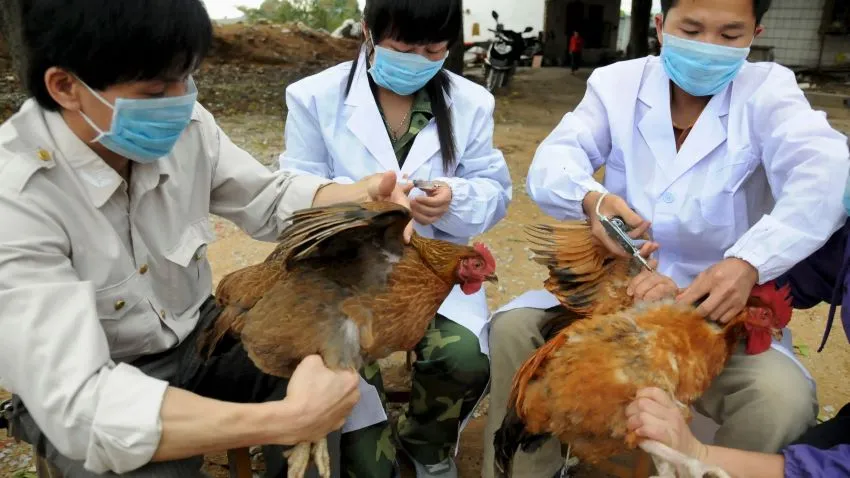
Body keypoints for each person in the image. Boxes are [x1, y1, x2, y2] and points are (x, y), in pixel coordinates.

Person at [0, 0, 415, 477]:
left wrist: (359, 196)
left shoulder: (187, 125)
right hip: (101, 379)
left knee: (320, 362)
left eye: (187, 78)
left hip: (197, 336)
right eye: (156, 90)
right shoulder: (16, 199)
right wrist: (285, 420)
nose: (180, 101)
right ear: (65, 86)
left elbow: (267, 198)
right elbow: (80, 403)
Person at [483, 0, 850, 476]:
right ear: (660, 26)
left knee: (781, 398)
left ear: (755, 34)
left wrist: (749, 261)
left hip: (714, 313)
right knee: (515, 331)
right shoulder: (618, 84)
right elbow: (555, 158)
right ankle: (524, 469)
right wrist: (591, 200)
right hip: (617, 292)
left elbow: (826, 175)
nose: (708, 47)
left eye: (730, 35)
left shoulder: (770, 93)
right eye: (691, 30)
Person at [278, 1, 512, 476]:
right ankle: (372, 439)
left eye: (433, 50)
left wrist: (455, 197)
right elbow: (296, 191)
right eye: (403, 48)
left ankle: (426, 444)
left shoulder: (470, 102)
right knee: (367, 458)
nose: (418, 60)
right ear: (368, 31)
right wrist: (367, 207)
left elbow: (495, 190)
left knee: (463, 357)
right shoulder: (313, 97)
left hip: (429, 274)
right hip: (343, 274)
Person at [627, 212, 850, 477]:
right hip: (631, 283)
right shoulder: (843, 241)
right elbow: (810, 270)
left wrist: (700, 455)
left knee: (782, 403)